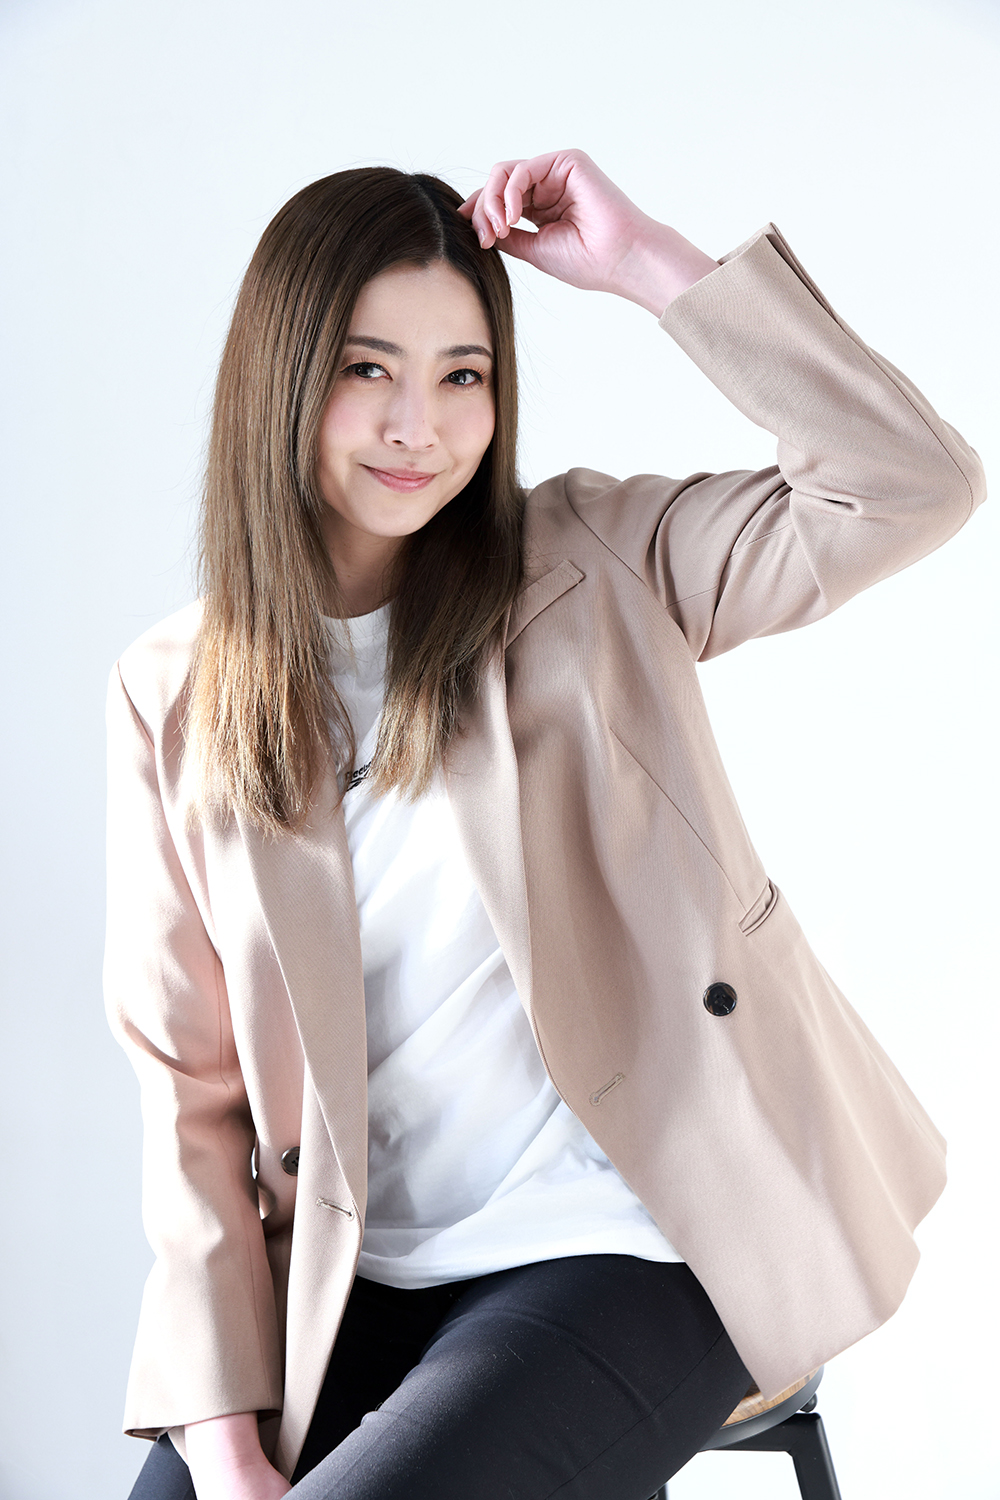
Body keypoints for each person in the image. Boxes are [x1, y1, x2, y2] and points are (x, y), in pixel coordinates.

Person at [106, 149, 985, 1500]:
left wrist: (647, 265)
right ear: (280, 377)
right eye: (367, 369)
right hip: (357, 1274)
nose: (420, 425)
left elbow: (907, 483)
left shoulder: (595, 562)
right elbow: (194, 1100)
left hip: (633, 1239)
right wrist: (221, 1445)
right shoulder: (176, 690)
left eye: (463, 375)